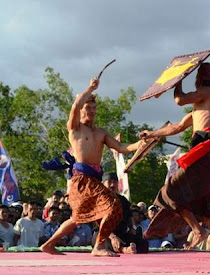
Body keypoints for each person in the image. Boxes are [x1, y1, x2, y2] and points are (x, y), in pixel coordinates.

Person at [40, 77, 142, 256]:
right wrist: (90, 88)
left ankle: (48, 245)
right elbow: (75, 106)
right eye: (88, 107)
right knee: (112, 205)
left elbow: (121, 147)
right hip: (80, 179)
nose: (92, 111)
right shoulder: (75, 128)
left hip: (93, 180)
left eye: (94, 107)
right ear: (81, 111)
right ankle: (99, 246)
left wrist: (140, 144)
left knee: (76, 218)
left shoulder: (101, 132)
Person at [139, 63, 210, 261]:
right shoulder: (201, 104)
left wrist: (177, 79)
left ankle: (197, 230)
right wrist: (151, 133)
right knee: (203, 205)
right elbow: (176, 127)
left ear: (201, 78)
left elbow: (179, 100)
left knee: (170, 190)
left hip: (206, 149)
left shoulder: (208, 93)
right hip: (205, 150)